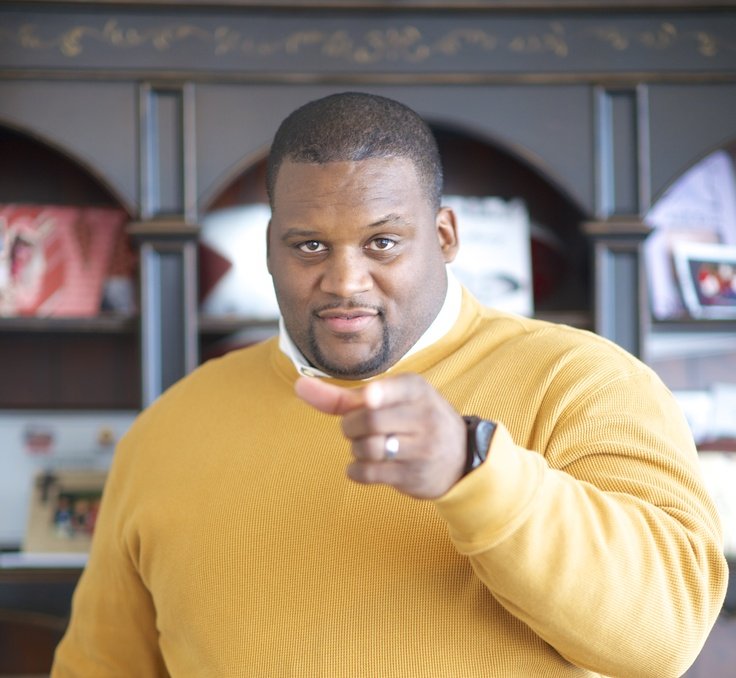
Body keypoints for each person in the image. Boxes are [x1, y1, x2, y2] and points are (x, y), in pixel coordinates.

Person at [52, 92, 728, 677]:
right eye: (310, 245)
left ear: (444, 236)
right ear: (270, 249)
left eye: (382, 242)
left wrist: (472, 468)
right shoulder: (172, 423)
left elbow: (666, 636)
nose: (345, 281)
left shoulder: (583, 381)